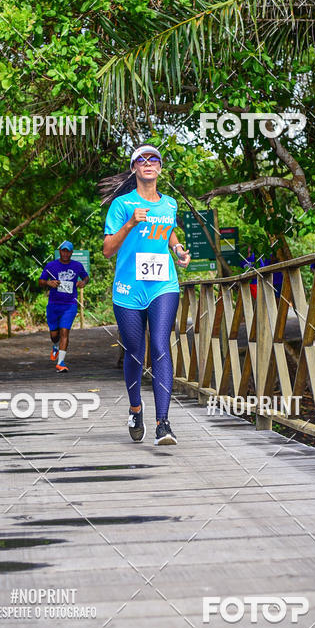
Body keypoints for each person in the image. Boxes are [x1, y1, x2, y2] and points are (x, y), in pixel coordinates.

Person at [102, 145, 191, 445]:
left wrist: (177, 250)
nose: (148, 163)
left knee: (160, 344)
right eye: (142, 160)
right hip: (128, 289)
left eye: (154, 159)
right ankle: (135, 408)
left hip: (162, 284)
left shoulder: (170, 204)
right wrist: (130, 223)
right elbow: (107, 251)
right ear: (134, 169)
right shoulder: (122, 205)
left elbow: (169, 231)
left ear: (160, 169)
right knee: (135, 353)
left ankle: (163, 424)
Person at [39, 241, 88, 372]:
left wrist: (83, 282)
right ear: (59, 251)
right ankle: (55, 346)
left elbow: (86, 277)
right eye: (63, 251)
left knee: (65, 332)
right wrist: (49, 282)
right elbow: (40, 281)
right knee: (54, 335)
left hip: (70, 305)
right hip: (54, 305)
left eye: (68, 251)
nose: (65, 253)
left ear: (72, 253)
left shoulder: (77, 266)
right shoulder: (51, 265)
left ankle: (61, 362)